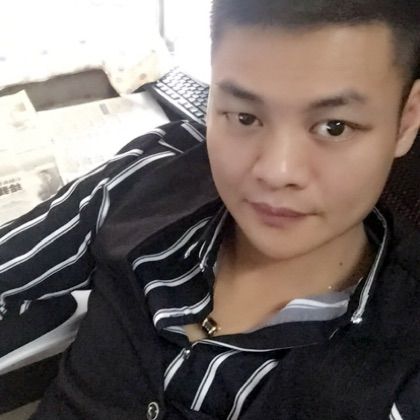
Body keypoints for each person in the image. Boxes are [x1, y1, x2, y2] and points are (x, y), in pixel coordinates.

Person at [0, 0, 419, 418]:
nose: (276, 172)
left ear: (405, 120)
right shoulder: (149, 176)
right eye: (244, 117)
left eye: (334, 127)